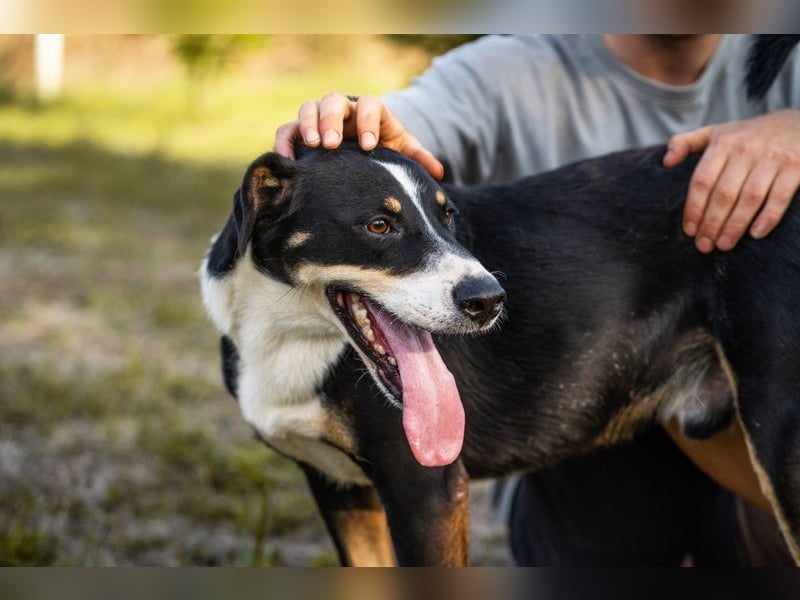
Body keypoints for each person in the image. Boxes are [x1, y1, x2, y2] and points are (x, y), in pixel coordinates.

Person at [274, 34, 800, 565]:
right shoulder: (510, 69)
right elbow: (406, 124)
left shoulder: (787, 56)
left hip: (759, 407)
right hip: (588, 428)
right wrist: (349, 133)